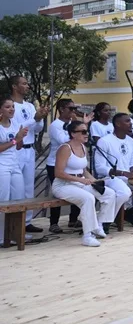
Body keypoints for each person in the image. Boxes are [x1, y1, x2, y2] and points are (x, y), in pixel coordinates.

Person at [51, 121, 117, 247]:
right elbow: (58, 173)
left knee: (109, 193)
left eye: (87, 131)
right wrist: (81, 180)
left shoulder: (83, 147)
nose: (87, 134)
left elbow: (83, 170)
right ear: (73, 134)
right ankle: (87, 235)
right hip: (63, 185)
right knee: (88, 198)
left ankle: (99, 224)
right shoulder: (65, 148)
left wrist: (93, 180)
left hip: (78, 183)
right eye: (83, 132)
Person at [46, 99, 92, 233]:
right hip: (55, 162)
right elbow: (65, 141)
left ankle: (73, 219)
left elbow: (79, 140)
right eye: (70, 108)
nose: (73, 111)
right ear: (61, 109)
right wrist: (80, 125)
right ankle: (54, 222)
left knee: (79, 188)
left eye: (74, 108)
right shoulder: (56, 125)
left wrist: (82, 125)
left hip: (73, 162)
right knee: (58, 194)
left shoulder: (73, 124)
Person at [10, 76, 49, 233]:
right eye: (24, 83)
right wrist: (34, 119)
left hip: (29, 148)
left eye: (27, 83)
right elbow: (16, 128)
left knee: (28, 186)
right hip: (15, 149)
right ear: (14, 86)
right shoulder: (10, 105)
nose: (27, 86)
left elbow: (37, 128)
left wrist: (39, 118)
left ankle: (27, 221)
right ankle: (13, 221)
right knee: (15, 187)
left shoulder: (30, 105)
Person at [0, 97, 29, 244]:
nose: (11, 109)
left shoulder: (15, 124)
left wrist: (21, 137)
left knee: (19, 198)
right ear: (0, 110)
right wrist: (15, 140)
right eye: (7, 107)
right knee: (3, 199)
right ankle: (1, 235)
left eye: (12, 107)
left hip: (14, 164)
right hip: (2, 165)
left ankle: (17, 233)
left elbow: (18, 146)